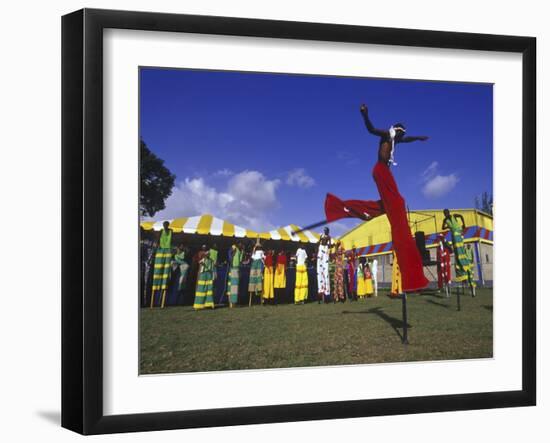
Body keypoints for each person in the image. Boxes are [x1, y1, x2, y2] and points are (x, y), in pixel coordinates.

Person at [324, 104, 429, 293]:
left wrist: (418, 138)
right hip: (380, 170)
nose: (401, 138)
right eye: (401, 134)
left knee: (386, 206)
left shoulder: (396, 140)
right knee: (397, 203)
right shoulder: (386, 135)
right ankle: (411, 271)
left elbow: (408, 139)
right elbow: (371, 129)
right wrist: (365, 115)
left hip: (384, 172)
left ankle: (345, 208)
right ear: (395, 130)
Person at [442, 209, 476, 297]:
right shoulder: (445, 220)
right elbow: (442, 228)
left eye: (446, 213)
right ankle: (460, 264)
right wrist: (447, 227)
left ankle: (463, 262)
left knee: (459, 247)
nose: (446, 214)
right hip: (454, 234)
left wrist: (464, 224)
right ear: (444, 214)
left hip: (458, 232)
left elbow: (460, 216)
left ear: (448, 212)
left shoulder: (454, 215)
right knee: (457, 250)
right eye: (445, 214)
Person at [151, 221, 173, 308]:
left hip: (167, 251)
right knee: (157, 272)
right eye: (164, 225)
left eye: (167, 225)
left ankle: (162, 302)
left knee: (165, 273)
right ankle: (154, 301)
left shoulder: (171, 231)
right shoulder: (161, 231)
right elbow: (157, 240)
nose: (165, 226)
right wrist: (157, 247)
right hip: (161, 251)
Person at [193, 245, 215, 310]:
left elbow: (212, 266)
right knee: (201, 289)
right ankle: (198, 305)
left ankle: (208, 304)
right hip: (203, 275)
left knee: (209, 290)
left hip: (208, 275)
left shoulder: (210, 260)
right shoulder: (202, 259)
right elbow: (199, 263)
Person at [316, 227, 332, 303]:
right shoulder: (321, 235)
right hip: (320, 250)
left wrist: (328, 245)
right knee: (319, 271)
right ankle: (320, 294)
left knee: (326, 273)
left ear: (328, 231)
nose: (325, 231)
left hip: (325, 250)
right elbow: (319, 242)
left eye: (326, 230)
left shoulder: (329, 237)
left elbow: (329, 245)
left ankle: (326, 296)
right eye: (325, 230)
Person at [248, 239, 265, 306]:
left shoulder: (256, 252)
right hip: (257, 267)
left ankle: (255, 294)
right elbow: (264, 258)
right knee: (258, 280)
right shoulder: (259, 252)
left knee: (254, 280)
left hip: (255, 266)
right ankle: (257, 293)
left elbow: (253, 257)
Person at [227, 243, 243, 308]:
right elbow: (240, 260)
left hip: (232, 269)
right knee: (234, 286)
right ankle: (232, 303)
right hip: (235, 269)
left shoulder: (236, 250)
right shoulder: (238, 251)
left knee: (231, 285)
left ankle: (231, 303)